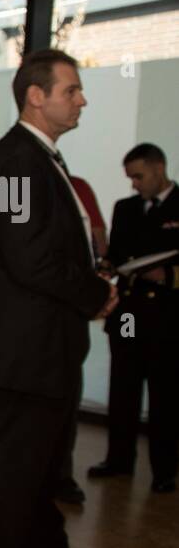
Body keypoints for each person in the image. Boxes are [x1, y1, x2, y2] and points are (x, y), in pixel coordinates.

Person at [0, 49, 113, 548]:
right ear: (35, 96)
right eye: (71, 90)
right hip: (26, 342)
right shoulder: (12, 162)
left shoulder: (41, 159)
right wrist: (95, 293)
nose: (82, 99)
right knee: (13, 460)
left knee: (46, 458)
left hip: (50, 339)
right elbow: (29, 262)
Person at [88, 143, 179, 493]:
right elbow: (117, 254)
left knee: (164, 397)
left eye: (139, 176)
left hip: (167, 318)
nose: (134, 185)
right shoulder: (125, 209)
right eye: (130, 178)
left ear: (159, 168)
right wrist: (104, 269)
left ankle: (164, 470)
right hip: (128, 316)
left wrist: (168, 275)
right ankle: (119, 459)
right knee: (123, 390)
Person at [54, 175, 108, 507]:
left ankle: (58, 477)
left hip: (68, 317)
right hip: (48, 317)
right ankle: (52, 479)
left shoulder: (78, 187)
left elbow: (100, 244)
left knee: (62, 404)